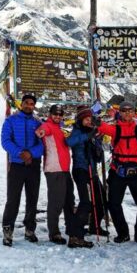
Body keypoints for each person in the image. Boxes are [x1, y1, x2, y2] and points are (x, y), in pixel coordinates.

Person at [97, 101, 137, 246]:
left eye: (130, 111)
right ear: (120, 112)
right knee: (114, 204)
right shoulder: (115, 129)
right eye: (124, 110)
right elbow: (105, 128)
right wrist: (96, 122)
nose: (127, 113)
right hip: (118, 171)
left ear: (135, 113)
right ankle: (123, 233)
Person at [35, 105, 93, 248]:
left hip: (65, 169)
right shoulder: (47, 125)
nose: (58, 116)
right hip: (55, 169)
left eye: (60, 114)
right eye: (55, 114)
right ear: (50, 114)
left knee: (69, 201)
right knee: (56, 202)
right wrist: (41, 131)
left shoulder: (60, 129)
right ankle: (54, 232)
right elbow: (42, 131)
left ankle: (70, 227)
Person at [0, 94, 44, 246]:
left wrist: (31, 153)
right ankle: (7, 230)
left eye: (32, 104)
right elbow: (5, 141)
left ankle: (30, 229)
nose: (29, 106)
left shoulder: (38, 123)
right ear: (21, 104)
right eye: (26, 103)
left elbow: (42, 144)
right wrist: (20, 153)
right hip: (17, 165)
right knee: (13, 199)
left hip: (33, 165)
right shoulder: (10, 120)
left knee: (32, 198)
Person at [66, 107, 108, 238]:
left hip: (93, 171)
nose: (89, 121)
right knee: (86, 202)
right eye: (86, 119)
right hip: (81, 170)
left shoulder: (94, 132)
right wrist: (87, 136)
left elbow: (98, 152)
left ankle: (95, 226)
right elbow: (69, 142)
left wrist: (98, 148)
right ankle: (75, 231)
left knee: (101, 200)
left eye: (91, 119)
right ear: (81, 120)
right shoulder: (77, 131)